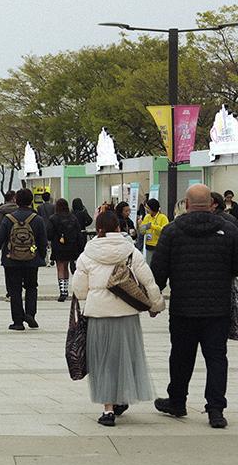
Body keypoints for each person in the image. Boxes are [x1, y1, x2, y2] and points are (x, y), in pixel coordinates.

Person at [149, 183, 238, 429]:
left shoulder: (171, 232)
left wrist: (153, 302)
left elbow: (158, 273)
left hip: (183, 308)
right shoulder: (229, 231)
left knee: (180, 357)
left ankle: (177, 402)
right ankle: (216, 410)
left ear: (186, 205)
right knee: (217, 359)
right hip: (217, 309)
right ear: (211, 204)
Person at [71, 209, 165, 427]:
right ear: (119, 227)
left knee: (102, 361)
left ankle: (108, 410)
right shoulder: (131, 251)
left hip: (98, 314)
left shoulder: (87, 254)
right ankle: (122, 398)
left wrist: (93, 293)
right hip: (127, 313)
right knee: (125, 358)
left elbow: (79, 289)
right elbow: (149, 281)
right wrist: (156, 305)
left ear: (99, 228)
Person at [0, 188, 48, 331]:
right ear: (31, 201)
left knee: (15, 290)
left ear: (16, 200)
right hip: (32, 259)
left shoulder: (8, 219)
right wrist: (41, 255)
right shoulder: (37, 219)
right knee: (31, 287)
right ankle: (30, 314)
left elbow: (0, 239)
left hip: (11, 259)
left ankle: (18, 322)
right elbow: (42, 241)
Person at [48, 198, 83, 302]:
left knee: (60, 268)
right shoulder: (73, 218)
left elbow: (49, 234)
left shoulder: (53, 218)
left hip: (58, 246)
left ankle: (63, 291)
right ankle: (67, 288)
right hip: (71, 246)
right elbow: (78, 233)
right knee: (66, 267)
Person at [136, 197, 169, 264]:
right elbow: (142, 232)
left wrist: (152, 226)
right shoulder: (147, 217)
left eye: (147, 208)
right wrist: (140, 225)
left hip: (159, 246)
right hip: (149, 246)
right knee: (149, 264)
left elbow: (165, 231)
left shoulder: (163, 217)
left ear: (152, 208)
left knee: (159, 265)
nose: (146, 209)